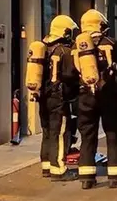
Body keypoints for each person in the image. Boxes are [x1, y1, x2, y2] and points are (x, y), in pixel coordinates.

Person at [76, 10, 117, 189]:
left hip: (85, 96)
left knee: (87, 136)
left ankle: (87, 178)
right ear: (101, 25)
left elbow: (68, 73)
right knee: (112, 134)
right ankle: (115, 177)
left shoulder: (77, 47)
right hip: (109, 95)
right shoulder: (112, 43)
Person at [26, 15, 81, 182]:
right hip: (59, 97)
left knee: (47, 131)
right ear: (65, 32)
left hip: (43, 96)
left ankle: (46, 165)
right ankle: (59, 169)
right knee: (60, 132)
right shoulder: (65, 51)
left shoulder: (44, 49)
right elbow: (72, 74)